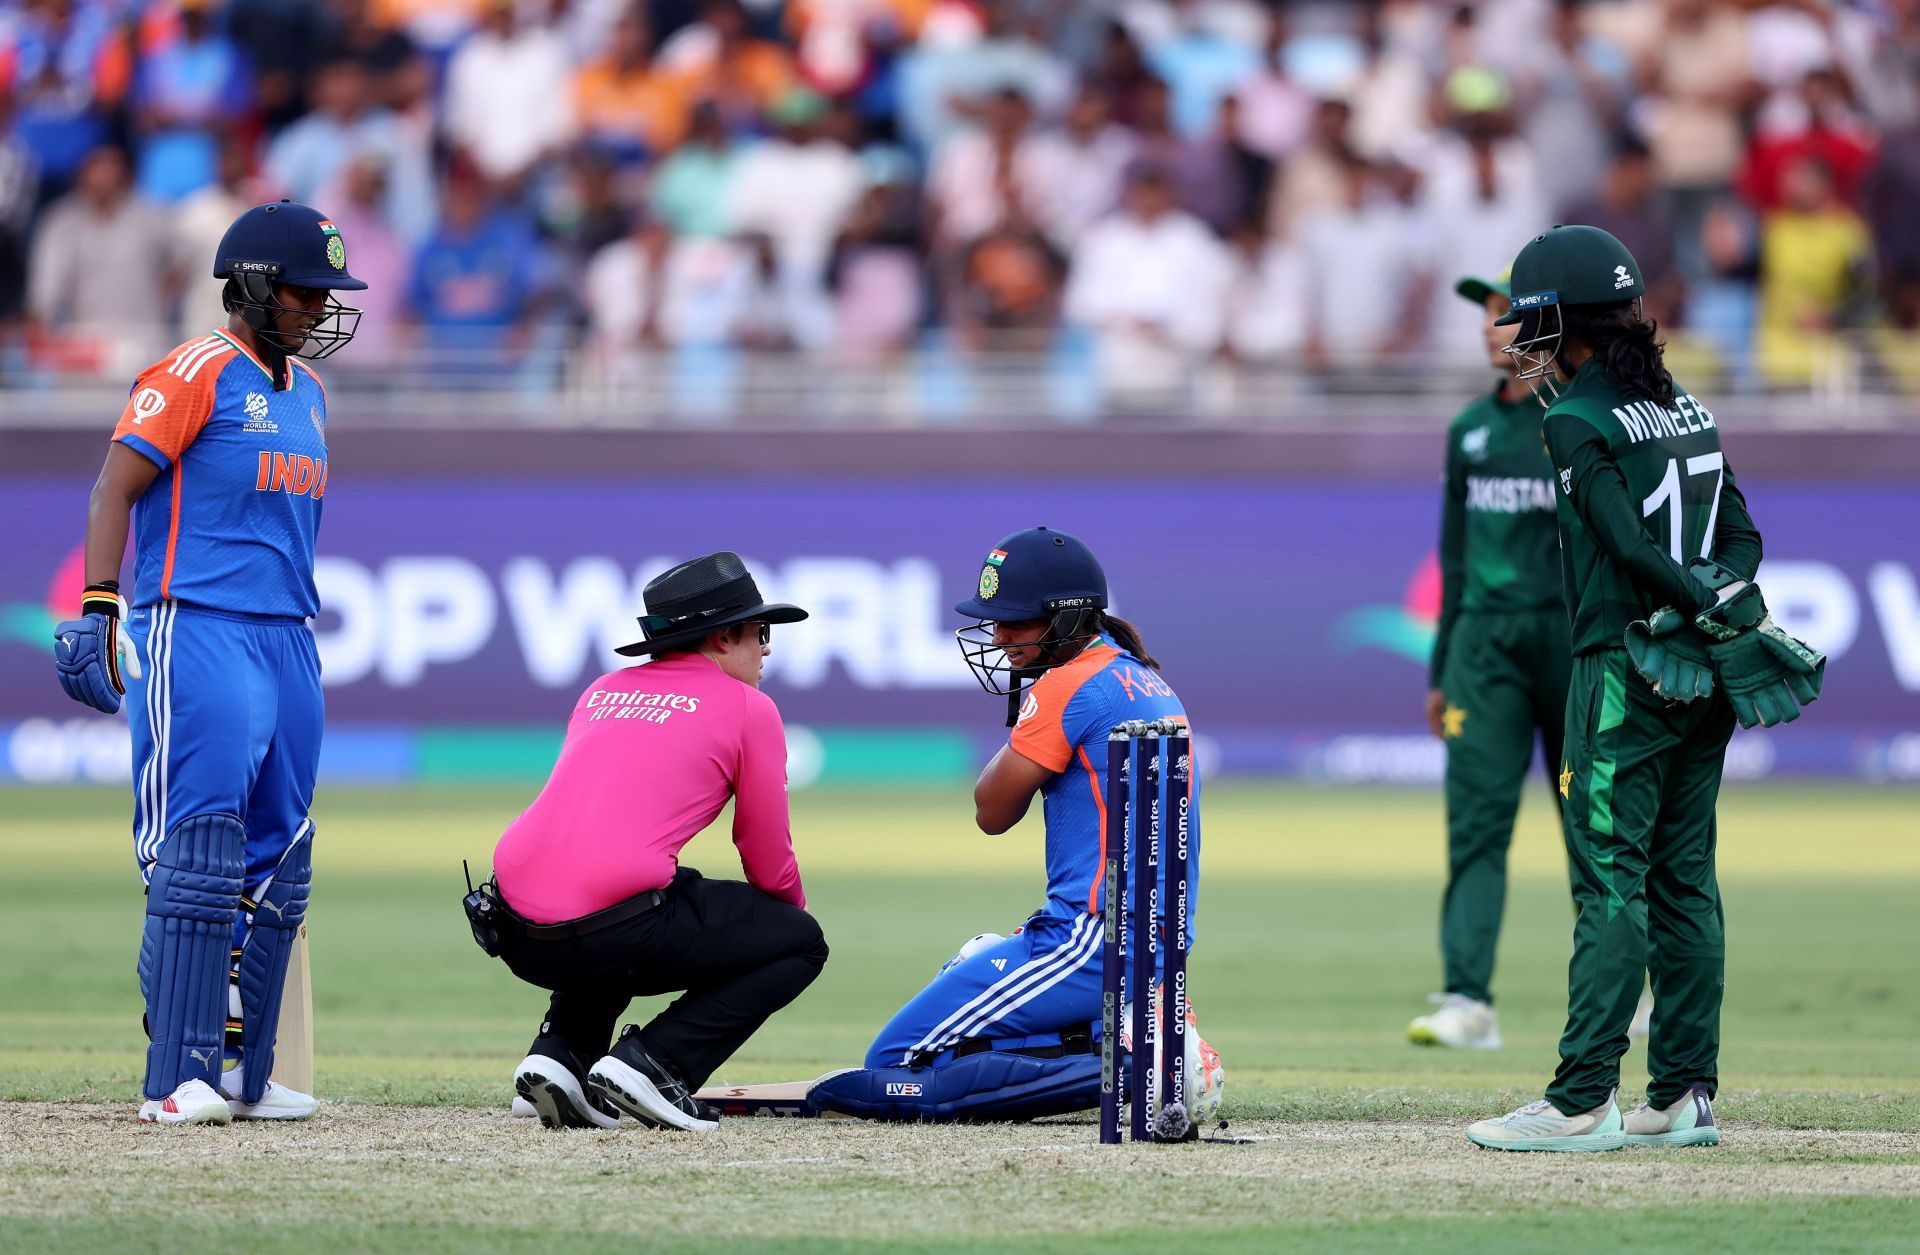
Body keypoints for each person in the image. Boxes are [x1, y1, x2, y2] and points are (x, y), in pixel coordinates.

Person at [1466, 225, 1825, 1153]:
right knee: (1684, 877)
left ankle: (1584, 1096)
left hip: (1622, 664)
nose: (1518, 333)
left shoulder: (1572, 417)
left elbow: (1626, 543)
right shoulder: (1689, 406)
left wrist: (1675, 605)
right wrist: (1715, 609)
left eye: (1529, 315)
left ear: (1563, 320)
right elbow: (1743, 541)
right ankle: (1684, 1093)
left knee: (1611, 881)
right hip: (1702, 669)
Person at [51, 199, 366, 1125]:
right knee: (197, 851)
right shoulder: (192, 371)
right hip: (199, 626)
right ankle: (176, 1075)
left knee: (280, 854)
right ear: (257, 286)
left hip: (288, 636)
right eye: (307, 291)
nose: (320, 309)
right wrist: (102, 606)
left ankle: (245, 1072)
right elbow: (117, 483)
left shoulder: (308, 393)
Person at [809, 527, 1223, 1122]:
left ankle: (1144, 1068)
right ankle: (1126, 1041)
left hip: (1087, 942)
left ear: (1066, 618)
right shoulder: (1143, 676)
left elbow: (992, 812)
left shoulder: (1069, 685)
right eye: (996, 622)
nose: (1000, 639)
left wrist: (1026, 726)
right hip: (1154, 945)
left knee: (893, 1064)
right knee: (976, 963)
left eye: (1016, 623)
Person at [484, 553, 827, 1133]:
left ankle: (563, 1053)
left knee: (642, 897)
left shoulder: (603, 688)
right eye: (759, 632)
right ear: (723, 638)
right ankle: (657, 1064)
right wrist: (782, 921)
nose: (766, 648)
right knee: (798, 943)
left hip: (512, 924)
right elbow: (765, 854)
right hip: (609, 925)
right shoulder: (750, 708)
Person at [1408, 270, 1572, 1052]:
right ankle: (1468, 998)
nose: (1487, 328)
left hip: (1575, 643)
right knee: (1476, 825)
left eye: (1504, 314)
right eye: (1483, 314)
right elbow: (1455, 560)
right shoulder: (1468, 430)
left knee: (1598, 823)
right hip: (1484, 648)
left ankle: (1633, 986)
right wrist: (1441, 669)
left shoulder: (1577, 421)